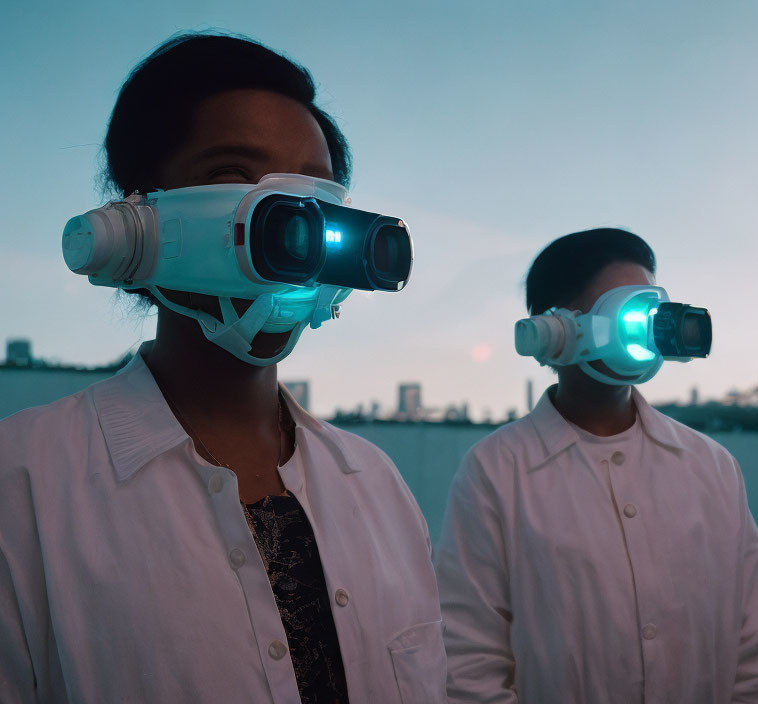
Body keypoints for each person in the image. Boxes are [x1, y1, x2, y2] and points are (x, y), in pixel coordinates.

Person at [0, 33, 446, 703]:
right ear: (133, 223)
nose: (294, 225)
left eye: (317, 195)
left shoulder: (378, 487)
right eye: (235, 175)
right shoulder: (23, 482)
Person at [435, 228, 758, 703]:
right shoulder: (496, 471)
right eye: (627, 312)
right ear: (553, 331)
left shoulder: (713, 467)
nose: (647, 328)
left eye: (651, 309)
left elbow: (752, 654)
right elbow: (469, 662)